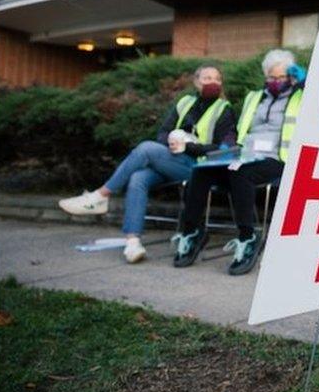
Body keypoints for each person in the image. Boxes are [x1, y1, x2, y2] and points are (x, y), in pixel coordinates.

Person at [58, 65, 236, 264]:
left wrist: (189, 147)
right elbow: (163, 132)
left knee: (145, 149)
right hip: (172, 160)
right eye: (206, 78)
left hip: (199, 168)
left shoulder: (225, 109)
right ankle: (133, 242)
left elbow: (224, 148)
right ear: (196, 82)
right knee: (138, 178)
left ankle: (100, 196)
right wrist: (170, 142)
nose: (212, 82)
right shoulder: (185, 103)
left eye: (217, 79)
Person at [170, 49, 305, 275]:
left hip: (278, 158)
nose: (275, 82)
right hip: (245, 156)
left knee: (240, 173)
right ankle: (192, 232)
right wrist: (227, 147)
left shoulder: (302, 95)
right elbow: (239, 129)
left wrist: (304, 82)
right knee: (201, 171)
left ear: (290, 77)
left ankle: (248, 236)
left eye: (281, 77)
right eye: (271, 77)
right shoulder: (254, 98)